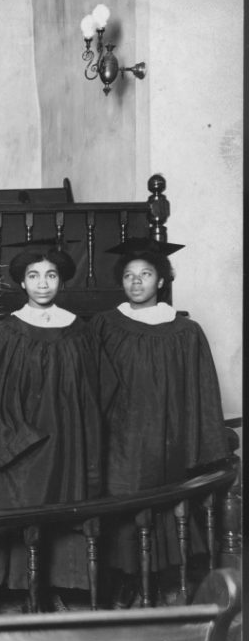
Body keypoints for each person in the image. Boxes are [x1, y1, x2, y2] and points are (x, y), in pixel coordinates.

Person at [91, 237, 229, 607]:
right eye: (129, 275)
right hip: (119, 437)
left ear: (161, 280)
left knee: (165, 504)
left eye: (146, 274)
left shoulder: (185, 331)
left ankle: (156, 581)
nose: (136, 282)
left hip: (167, 435)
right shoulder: (105, 326)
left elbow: (199, 391)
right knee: (122, 507)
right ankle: (126, 584)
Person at [0, 246, 103, 612]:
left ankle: (55, 585)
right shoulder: (6, 331)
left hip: (68, 436)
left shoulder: (79, 329)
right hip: (24, 440)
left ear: (61, 280)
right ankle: (23, 588)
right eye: (34, 276)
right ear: (21, 281)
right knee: (24, 504)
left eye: (50, 275)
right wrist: (16, 437)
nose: (42, 283)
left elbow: (91, 391)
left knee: (63, 506)